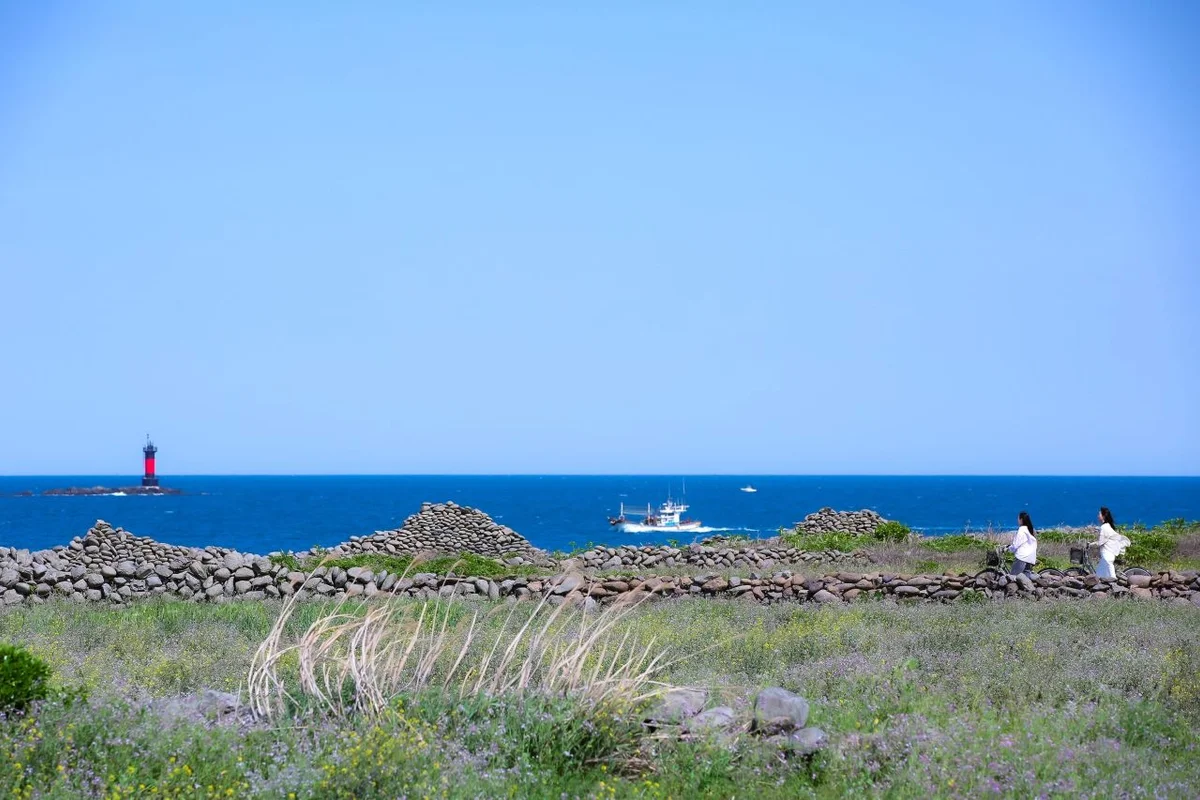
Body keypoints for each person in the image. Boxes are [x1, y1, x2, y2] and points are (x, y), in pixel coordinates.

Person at [1090, 506, 1130, 579]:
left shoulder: (1104, 527)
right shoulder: (1107, 526)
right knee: (1099, 574)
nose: (1098, 516)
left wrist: (1091, 544)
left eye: (1099, 514)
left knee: (1109, 571)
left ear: (1103, 516)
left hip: (1107, 554)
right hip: (1107, 554)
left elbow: (1100, 542)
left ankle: (1115, 586)